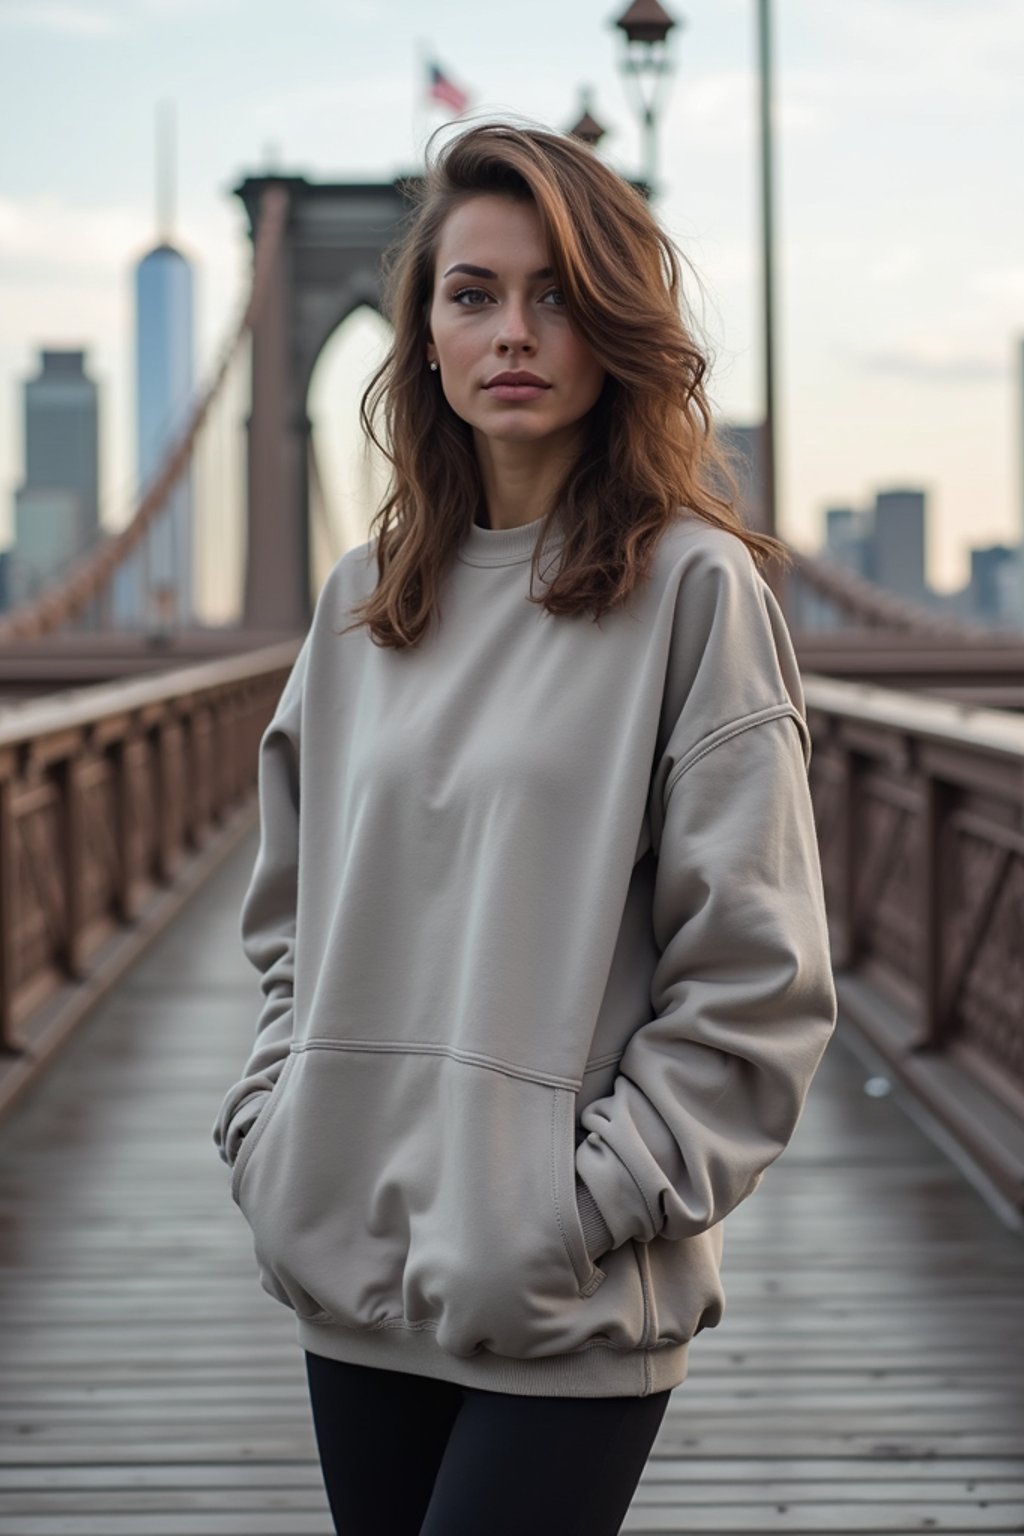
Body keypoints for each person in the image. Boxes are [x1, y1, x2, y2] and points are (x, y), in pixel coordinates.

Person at [211, 118, 838, 1536]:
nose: (513, 331)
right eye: (473, 293)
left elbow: (759, 979)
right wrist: (275, 1133)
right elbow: (287, 926)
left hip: (566, 1302)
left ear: (617, 326)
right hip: (348, 1270)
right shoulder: (363, 599)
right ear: (422, 333)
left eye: (557, 293)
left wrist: (583, 1206)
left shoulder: (694, 594)